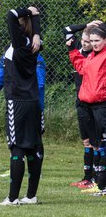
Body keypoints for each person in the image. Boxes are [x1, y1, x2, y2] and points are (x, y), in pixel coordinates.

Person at [0, 6, 43, 206]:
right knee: (34, 146)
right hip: (33, 100)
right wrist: (36, 23)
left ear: (21, 26)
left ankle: (13, 198)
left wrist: (27, 10)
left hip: (17, 101)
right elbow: (34, 30)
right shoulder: (36, 43)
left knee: (17, 147)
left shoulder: (20, 43)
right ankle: (31, 196)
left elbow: (10, 14)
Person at [0, 52, 46, 178]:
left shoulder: (36, 58)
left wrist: (27, 97)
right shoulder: (7, 56)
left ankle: (35, 171)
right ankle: (16, 166)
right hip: (16, 105)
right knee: (15, 140)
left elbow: (39, 83)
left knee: (35, 140)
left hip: (33, 106)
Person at [63, 21, 103, 190]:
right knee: (89, 142)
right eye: (87, 41)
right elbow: (66, 30)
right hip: (84, 103)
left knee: (98, 143)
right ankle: (91, 179)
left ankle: (98, 181)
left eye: (94, 41)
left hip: (98, 104)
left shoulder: (99, 55)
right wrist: (86, 24)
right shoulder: (85, 54)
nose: (90, 44)